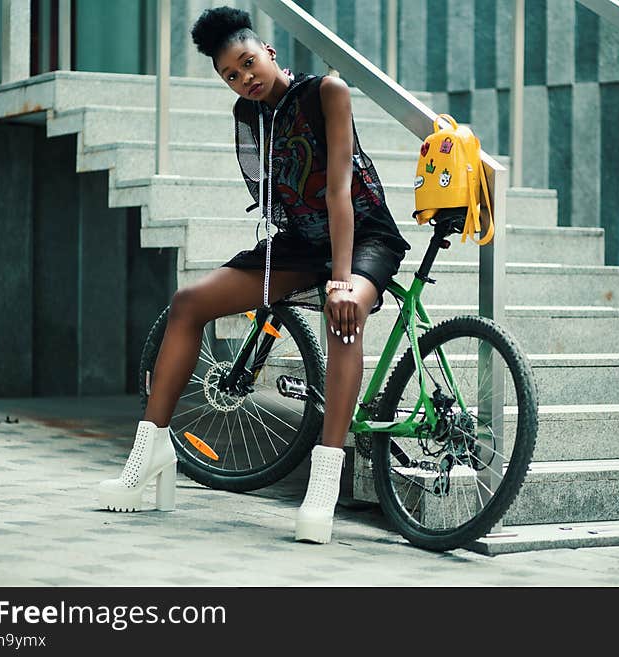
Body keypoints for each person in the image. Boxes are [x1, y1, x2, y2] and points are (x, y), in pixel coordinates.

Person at [98, 6, 411, 544]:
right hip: (297, 243)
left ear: (268, 50)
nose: (245, 79)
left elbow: (338, 190)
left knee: (345, 317)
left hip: (363, 236)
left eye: (247, 63)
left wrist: (340, 280)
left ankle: (324, 482)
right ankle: (149, 454)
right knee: (189, 301)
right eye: (231, 76)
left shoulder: (327, 92)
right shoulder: (249, 114)